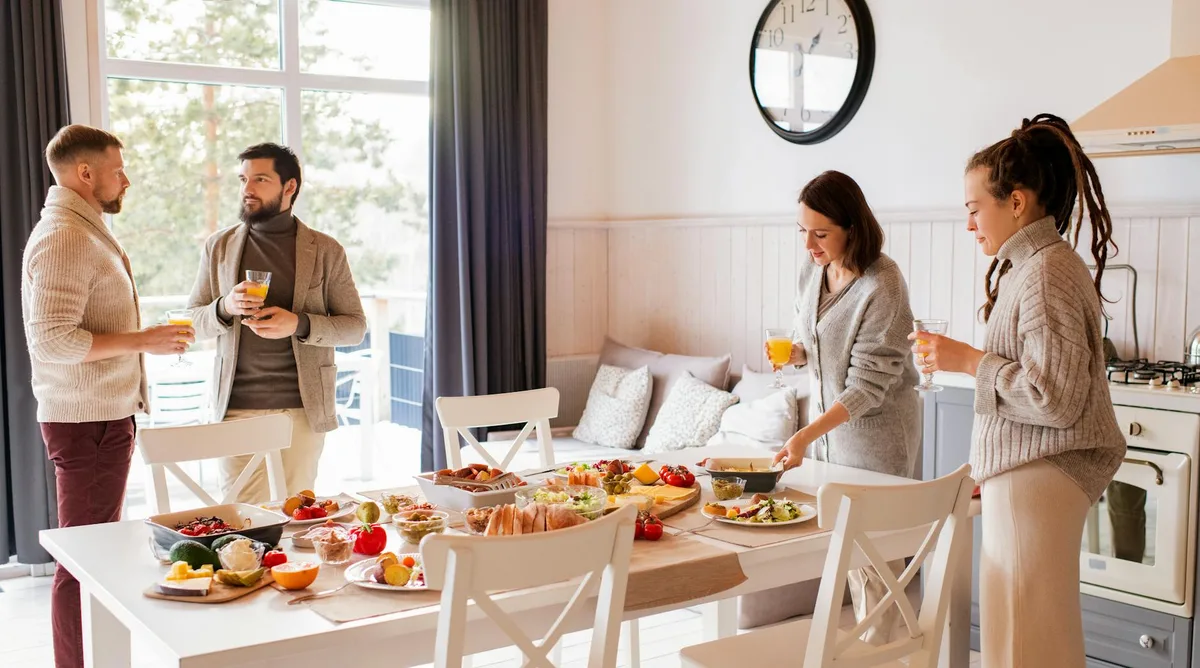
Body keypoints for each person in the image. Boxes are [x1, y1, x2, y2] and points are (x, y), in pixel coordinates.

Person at [911, 113, 1125, 667]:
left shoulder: (1046, 272)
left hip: (1041, 480)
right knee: (1024, 638)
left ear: (1017, 202)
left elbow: (1053, 397)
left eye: (973, 209)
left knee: (1026, 645)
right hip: (1028, 476)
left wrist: (968, 360)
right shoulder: (1035, 267)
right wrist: (990, 465)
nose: (969, 225)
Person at [22, 124, 194, 668]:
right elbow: (50, 340)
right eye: (118, 169)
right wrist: (145, 341)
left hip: (100, 419)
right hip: (88, 423)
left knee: (90, 553)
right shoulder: (65, 237)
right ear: (86, 173)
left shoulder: (82, 229)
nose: (126, 179)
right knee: (84, 560)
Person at [771, 170, 922, 644]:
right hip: (829, 439)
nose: (808, 245)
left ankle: (884, 651)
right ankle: (866, 649)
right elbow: (813, 342)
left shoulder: (884, 284)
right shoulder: (813, 271)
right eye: (802, 231)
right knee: (846, 555)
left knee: (876, 559)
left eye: (820, 233)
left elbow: (865, 388)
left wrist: (802, 436)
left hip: (875, 438)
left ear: (851, 228)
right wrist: (796, 354)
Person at [187, 142, 366, 504]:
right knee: (242, 521)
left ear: (290, 187)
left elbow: (355, 327)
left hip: (301, 409)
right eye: (243, 179)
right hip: (236, 407)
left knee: (297, 517)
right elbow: (194, 320)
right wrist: (225, 306)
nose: (247, 190)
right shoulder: (218, 247)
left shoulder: (326, 250)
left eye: (261, 180)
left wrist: (299, 324)